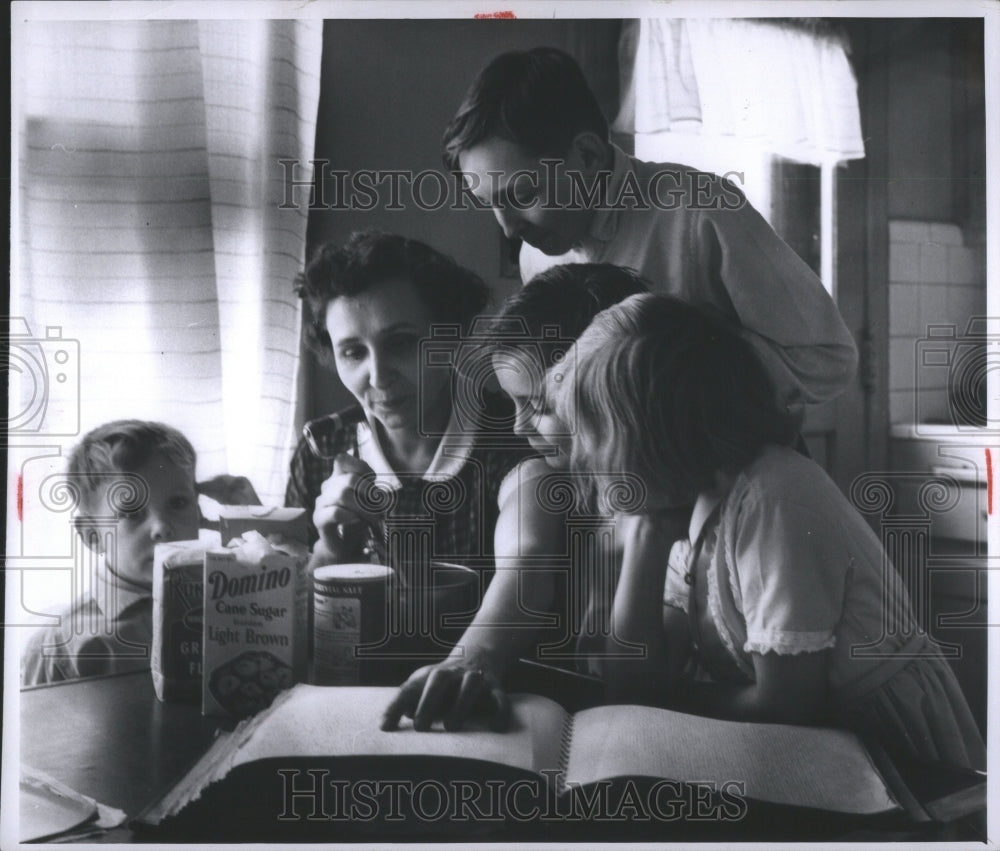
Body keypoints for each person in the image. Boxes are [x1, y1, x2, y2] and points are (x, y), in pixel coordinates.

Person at [553, 293, 985, 771]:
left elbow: (787, 706)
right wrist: (643, 536)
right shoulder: (689, 501)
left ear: (652, 434)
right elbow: (634, 686)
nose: (586, 456)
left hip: (885, 747)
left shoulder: (773, 498)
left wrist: (669, 706)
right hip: (812, 739)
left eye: (593, 433)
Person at [443, 46, 858, 416]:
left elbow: (827, 359)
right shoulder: (537, 255)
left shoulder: (700, 211)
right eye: (490, 204)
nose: (509, 229)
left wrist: (680, 362)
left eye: (523, 193)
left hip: (735, 474)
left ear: (586, 155)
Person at [381, 263, 650, 732]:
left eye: (540, 405)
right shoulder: (568, 482)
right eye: (513, 403)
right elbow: (528, 563)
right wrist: (474, 656)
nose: (518, 427)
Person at [285, 230, 538, 591]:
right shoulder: (319, 449)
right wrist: (331, 549)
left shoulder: (513, 440)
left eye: (401, 343)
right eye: (354, 352)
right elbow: (293, 616)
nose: (379, 376)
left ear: (451, 336)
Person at [21, 420, 201, 685]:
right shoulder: (61, 645)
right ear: (93, 535)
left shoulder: (230, 602)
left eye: (178, 503)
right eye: (131, 512)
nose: (161, 527)